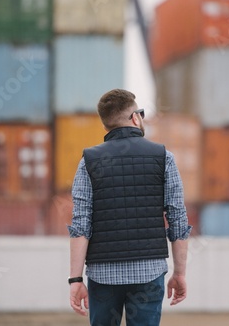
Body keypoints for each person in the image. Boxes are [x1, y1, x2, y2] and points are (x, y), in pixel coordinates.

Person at [68, 89, 192, 326]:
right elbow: (178, 220)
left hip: (102, 275)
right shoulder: (164, 157)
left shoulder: (89, 161)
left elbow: (80, 225)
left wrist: (75, 279)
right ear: (135, 117)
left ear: (106, 125)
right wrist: (179, 273)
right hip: (150, 272)